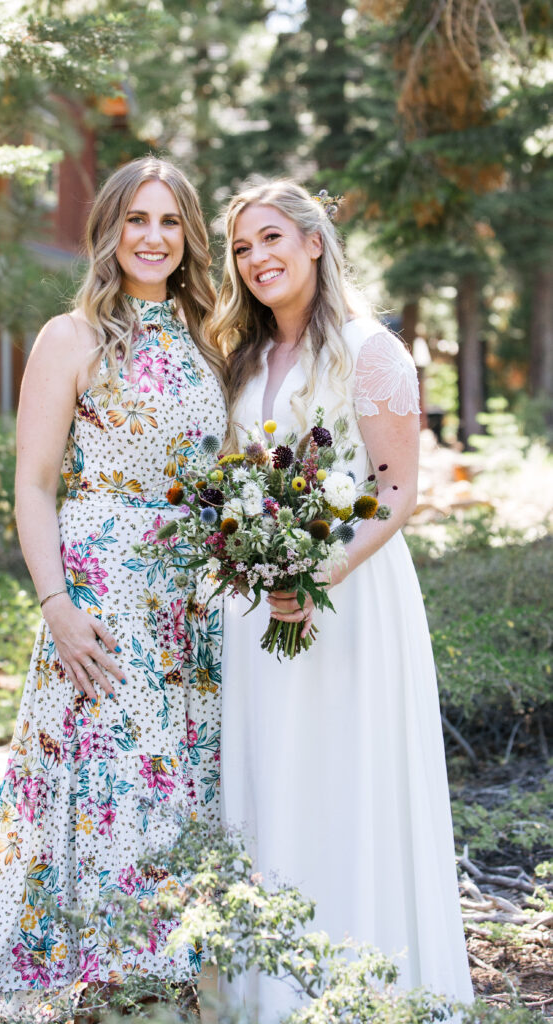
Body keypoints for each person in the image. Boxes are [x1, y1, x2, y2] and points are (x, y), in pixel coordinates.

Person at [0, 157, 227, 1016]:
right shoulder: (72, 336)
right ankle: (99, 960)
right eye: (136, 220)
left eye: (170, 222)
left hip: (190, 597)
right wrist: (57, 605)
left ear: (189, 237)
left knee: (178, 771)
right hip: (100, 586)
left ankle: (174, 961)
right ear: (109, 229)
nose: (153, 238)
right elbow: (33, 482)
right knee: (106, 770)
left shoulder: (213, 338)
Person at [211, 179, 473, 1021]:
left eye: (271, 239)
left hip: (349, 595)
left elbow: (396, 491)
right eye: (242, 248)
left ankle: (366, 988)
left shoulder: (370, 348)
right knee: (270, 777)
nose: (256, 260)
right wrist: (258, 563)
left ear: (314, 242)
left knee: (343, 777)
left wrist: (321, 571)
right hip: (259, 605)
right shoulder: (243, 358)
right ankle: (270, 990)